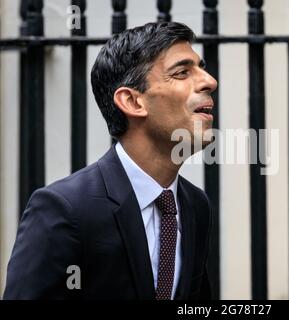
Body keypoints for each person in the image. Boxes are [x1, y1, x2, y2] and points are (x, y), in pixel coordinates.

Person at [3, 21, 218, 300]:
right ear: (132, 101)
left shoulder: (195, 205)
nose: (210, 81)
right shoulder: (64, 209)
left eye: (201, 68)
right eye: (182, 72)